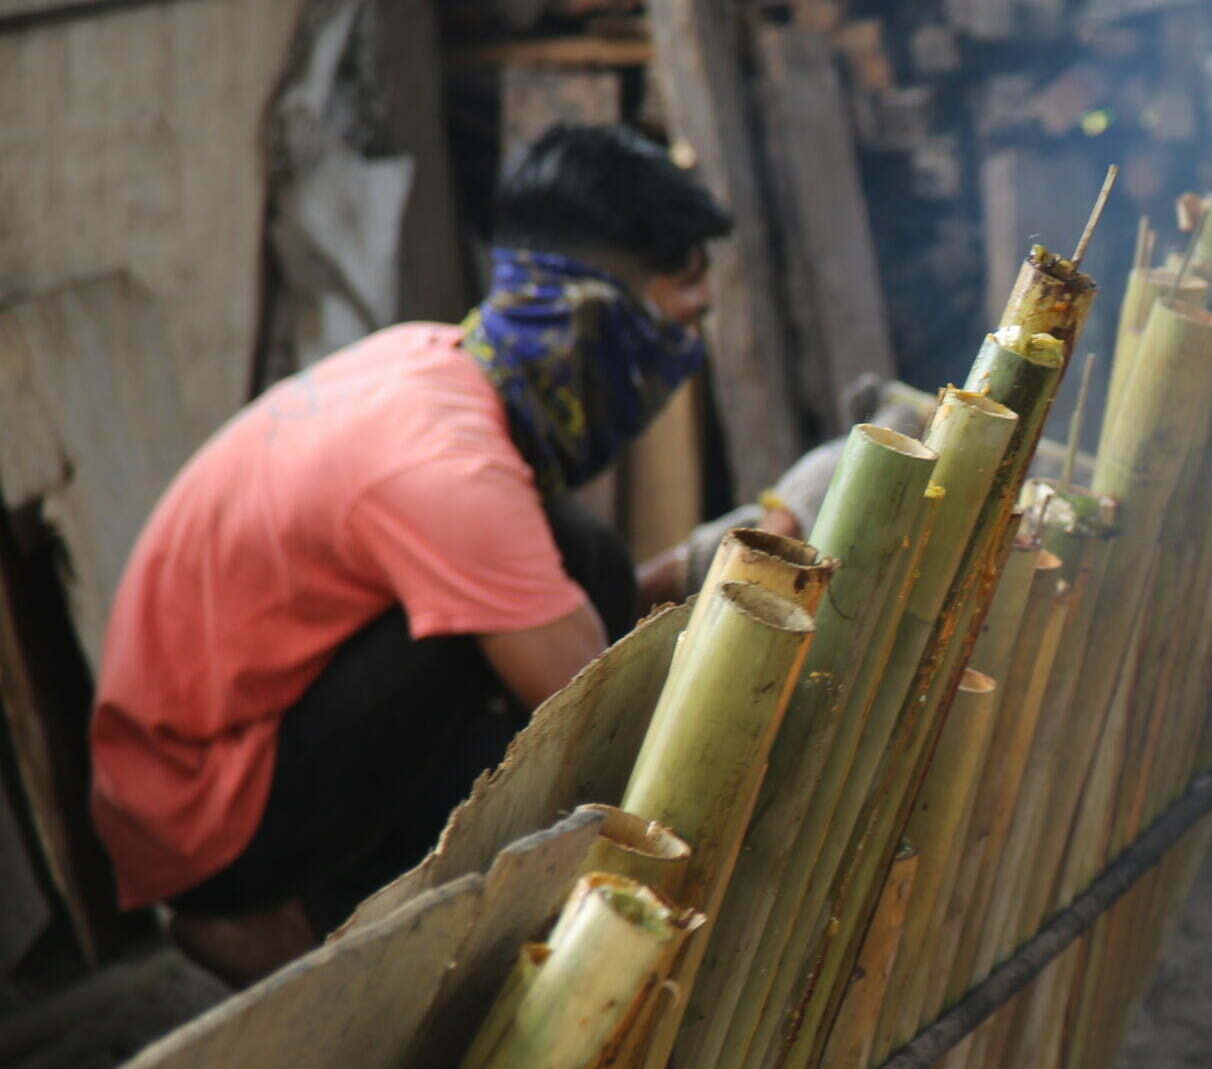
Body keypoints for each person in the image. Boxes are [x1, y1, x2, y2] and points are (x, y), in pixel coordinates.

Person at [91, 124, 760, 986]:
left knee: (577, 555)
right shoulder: (448, 470)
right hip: (200, 816)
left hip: (226, 738)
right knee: (510, 651)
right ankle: (274, 916)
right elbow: (607, 717)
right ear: (595, 318)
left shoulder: (436, 361)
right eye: (679, 322)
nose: (684, 358)